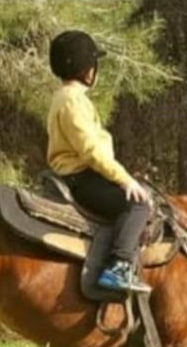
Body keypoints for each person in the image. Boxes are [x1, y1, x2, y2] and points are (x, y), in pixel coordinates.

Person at [46, 30, 152, 294]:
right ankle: (120, 267)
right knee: (138, 205)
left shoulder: (64, 97)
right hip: (81, 178)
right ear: (87, 69)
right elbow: (91, 150)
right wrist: (124, 178)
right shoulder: (72, 100)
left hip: (78, 175)